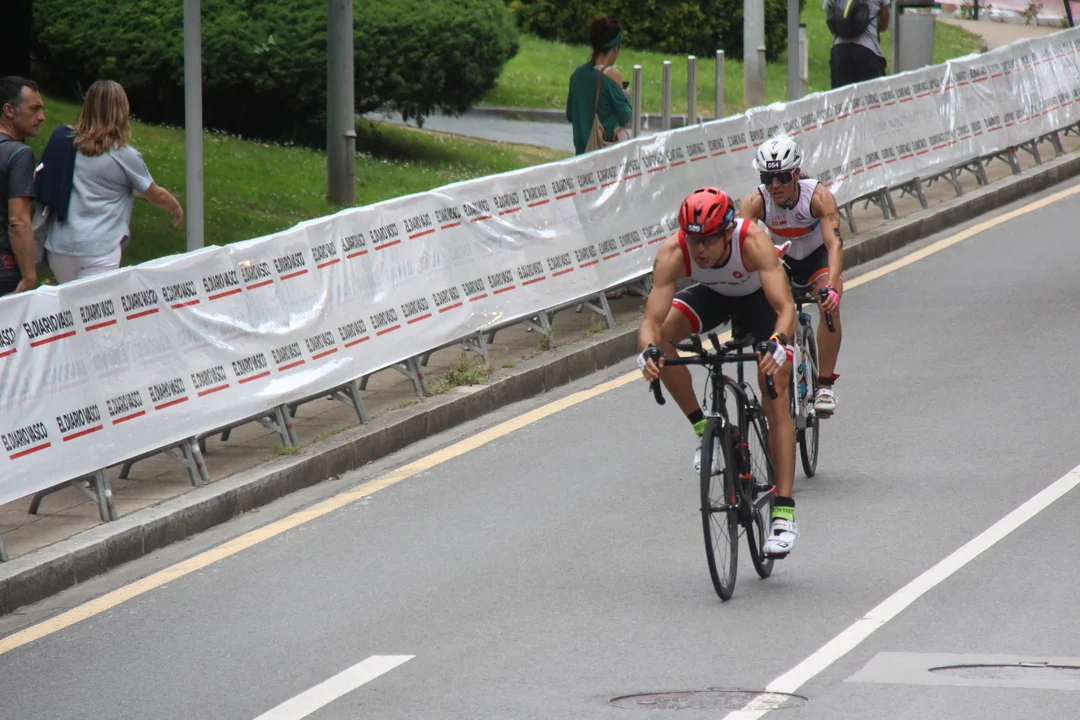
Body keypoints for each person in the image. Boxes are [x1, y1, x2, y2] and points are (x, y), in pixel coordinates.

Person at [637, 187, 801, 557]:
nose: (701, 249)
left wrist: (777, 342)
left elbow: (785, 308)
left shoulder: (752, 241)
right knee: (661, 338)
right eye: (695, 240)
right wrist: (648, 352)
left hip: (760, 301)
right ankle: (703, 428)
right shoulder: (674, 252)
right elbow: (650, 321)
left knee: (773, 390)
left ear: (728, 231)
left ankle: (784, 514)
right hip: (713, 296)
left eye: (710, 239)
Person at [740, 136, 845, 416]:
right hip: (781, 261)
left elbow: (834, 244)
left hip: (816, 261)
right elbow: (742, 249)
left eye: (782, 177)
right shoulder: (755, 202)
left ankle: (825, 385)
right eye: (767, 178)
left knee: (829, 304)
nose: (775, 185)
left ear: (796, 174)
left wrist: (832, 288)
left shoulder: (819, 197)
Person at [42, 79, 183, 284]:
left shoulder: (65, 143)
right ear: (121, 110)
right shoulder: (124, 155)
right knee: (96, 305)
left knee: (72, 302)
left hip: (59, 247)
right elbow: (155, 194)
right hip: (99, 250)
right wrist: (175, 206)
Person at [0, 76, 45, 296]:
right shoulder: (19, 154)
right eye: (34, 109)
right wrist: (29, 276)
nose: (42, 117)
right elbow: (18, 221)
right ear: (9, 110)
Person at [565, 16, 632, 156]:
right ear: (615, 48)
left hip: (581, 153)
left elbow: (570, 114)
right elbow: (625, 116)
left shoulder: (577, 74)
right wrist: (625, 95)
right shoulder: (612, 75)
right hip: (604, 155)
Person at [827, 0, 889, 88]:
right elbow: (884, 26)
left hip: (839, 53)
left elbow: (831, 21)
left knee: (841, 95)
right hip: (869, 52)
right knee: (870, 95)